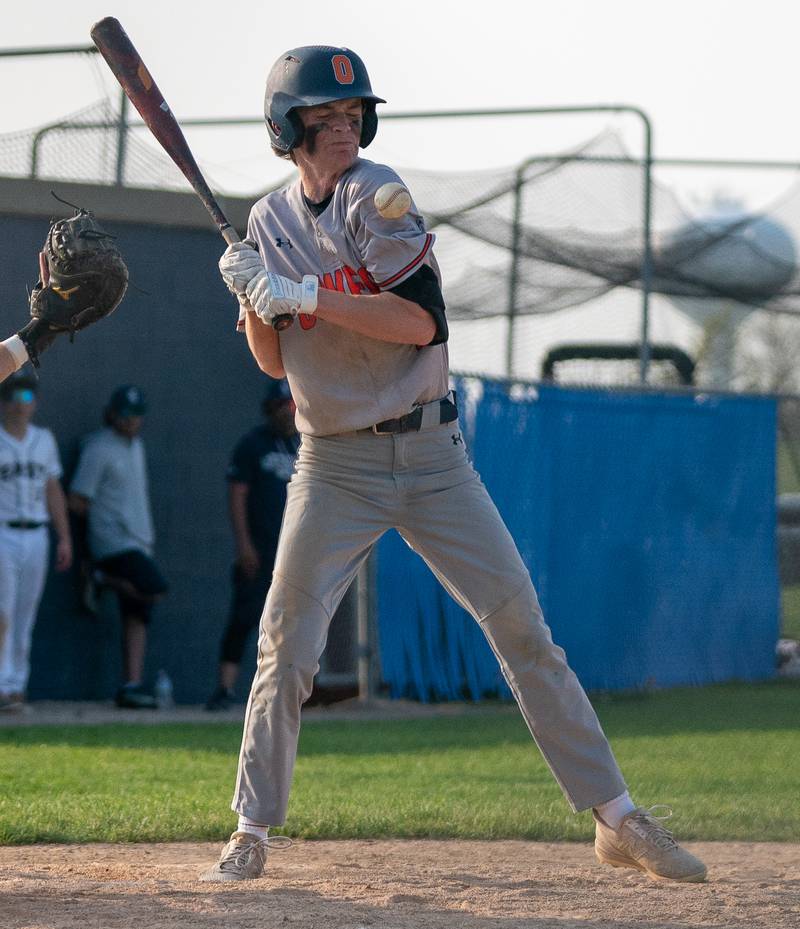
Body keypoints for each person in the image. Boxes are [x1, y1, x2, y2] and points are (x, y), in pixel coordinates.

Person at [201, 46, 707, 884]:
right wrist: (253, 295)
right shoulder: (267, 222)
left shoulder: (377, 192)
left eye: (353, 115)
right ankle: (251, 827)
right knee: (285, 644)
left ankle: (618, 818)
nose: (345, 130)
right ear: (288, 130)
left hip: (432, 454)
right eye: (325, 120)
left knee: (522, 632)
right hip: (333, 465)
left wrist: (305, 295)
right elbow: (272, 360)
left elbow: (421, 323)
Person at [68, 385, 168, 709]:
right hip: (114, 542)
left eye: (136, 416)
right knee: (153, 588)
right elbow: (78, 499)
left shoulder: (135, 446)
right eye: (125, 415)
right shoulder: (98, 448)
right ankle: (99, 578)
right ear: (112, 414)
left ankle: (131, 684)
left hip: (140, 540)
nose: (131, 422)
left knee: (137, 614)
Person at [205, 379, 300, 711]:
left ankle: (283, 694)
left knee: (290, 626)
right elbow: (238, 494)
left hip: (293, 554)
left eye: (291, 407)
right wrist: (244, 543)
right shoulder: (253, 445)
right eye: (280, 408)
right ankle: (225, 688)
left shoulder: (304, 445)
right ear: (269, 410)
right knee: (244, 617)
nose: (286, 414)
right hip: (259, 551)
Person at [0, 371, 72, 710]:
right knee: (3, 611)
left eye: (27, 398)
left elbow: (52, 489)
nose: (20, 404)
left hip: (36, 534)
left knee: (25, 614)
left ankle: (16, 687)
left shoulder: (42, 440)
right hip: (3, 532)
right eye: (14, 397)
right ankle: (2, 684)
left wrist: (64, 538)